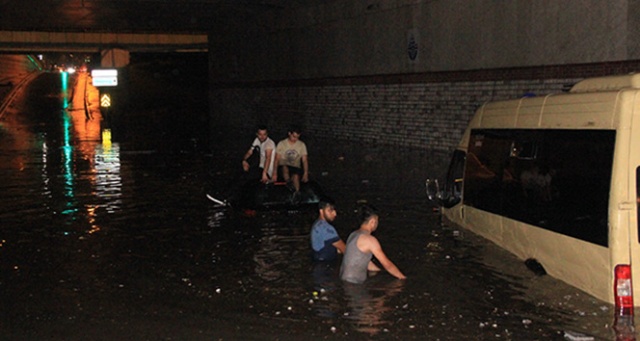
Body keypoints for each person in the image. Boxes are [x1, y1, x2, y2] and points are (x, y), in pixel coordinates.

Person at [340, 204, 406, 284]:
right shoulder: (370, 240)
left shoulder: (353, 235)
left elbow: (364, 261)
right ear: (372, 221)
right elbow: (387, 263)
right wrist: (402, 278)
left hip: (344, 281)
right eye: (377, 221)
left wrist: (380, 272)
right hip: (354, 284)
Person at [273, 126, 308, 192]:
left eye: (297, 137)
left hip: (295, 167)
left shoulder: (302, 145)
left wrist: (305, 173)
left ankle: (296, 193)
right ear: (289, 134)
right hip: (283, 166)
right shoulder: (282, 143)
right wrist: (274, 172)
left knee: (296, 176)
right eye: (294, 136)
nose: (295, 139)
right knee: (284, 167)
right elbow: (277, 159)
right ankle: (288, 183)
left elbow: (304, 160)